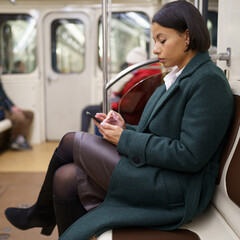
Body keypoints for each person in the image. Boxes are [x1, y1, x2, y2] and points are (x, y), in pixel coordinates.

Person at [5, 1, 234, 239]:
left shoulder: (208, 82)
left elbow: (190, 156)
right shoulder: (178, 77)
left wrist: (125, 139)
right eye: (154, 41)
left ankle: (40, 213)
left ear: (187, 37)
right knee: (65, 178)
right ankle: (41, 214)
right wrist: (126, 128)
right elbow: (162, 133)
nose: (155, 49)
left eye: (162, 40)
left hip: (176, 189)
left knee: (71, 141)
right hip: (158, 172)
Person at [81, 47, 162, 132]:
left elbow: (130, 105)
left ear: (136, 64)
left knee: (88, 110)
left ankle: (83, 136)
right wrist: (117, 94)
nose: (128, 67)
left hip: (128, 114)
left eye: (131, 64)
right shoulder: (146, 74)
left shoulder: (142, 78)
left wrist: (114, 103)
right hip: (127, 108)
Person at [0, 61, 33, 150]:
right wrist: (9, 108)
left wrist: (14, 107)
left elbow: (5, 97)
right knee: (20, 118)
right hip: (3, 110)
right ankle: (13, 141)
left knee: (30, 114)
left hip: (7, 108)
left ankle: (20, 138)